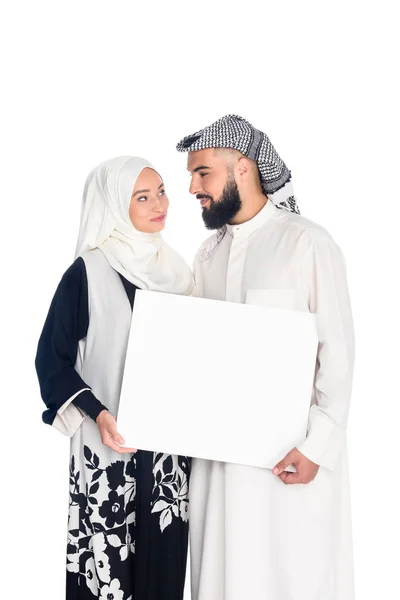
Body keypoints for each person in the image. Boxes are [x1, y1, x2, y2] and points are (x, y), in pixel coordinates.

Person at [176, 115, 355, 600]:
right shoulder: (206, 257)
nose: (192, 186)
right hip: (217, 469)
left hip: (289, 465)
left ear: (243, 169)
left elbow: (337, 353)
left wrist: (317, 447)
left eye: (203, 173)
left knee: (292, 577)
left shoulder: (306, 242)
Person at [35, 156, 194, 600]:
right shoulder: (87, 272)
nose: (158, 204)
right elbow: (52, 360)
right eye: (141, 197)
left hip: (168, 460)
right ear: (113, 206)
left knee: (165, 570)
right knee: (108, 573)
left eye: (161, 191)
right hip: (109, 451)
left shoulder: (178, 273)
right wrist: (99, 413)